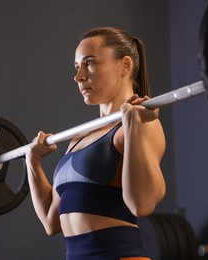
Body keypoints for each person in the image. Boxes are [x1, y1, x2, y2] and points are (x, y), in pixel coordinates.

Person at [25, 26, 166, 260]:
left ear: (125, 66)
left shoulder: (141, 123)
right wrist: (33, 161)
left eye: (89, 63)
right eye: (77, 67)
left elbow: (142, 205)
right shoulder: (78, 138)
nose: (79, 76)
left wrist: (132, 123)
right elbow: (51, 222)